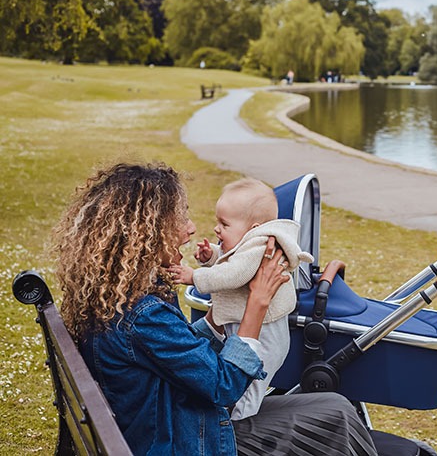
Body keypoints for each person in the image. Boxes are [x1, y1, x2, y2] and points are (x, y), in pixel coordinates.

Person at [53, 163, 377, 456]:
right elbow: (225, 386)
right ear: (147, 233)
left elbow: (175, 353)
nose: (191, 228)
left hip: (179, 421)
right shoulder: (142, 315)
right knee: (336, 416)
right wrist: (257, 304)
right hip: (188, 441)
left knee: (335, 406)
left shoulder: (121, 299)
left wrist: (216, 319)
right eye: (180, 219)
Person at [168, 178, 313, 420]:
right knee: (245, 380)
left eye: (224, 224)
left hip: (265, 336)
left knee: (252, 385)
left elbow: (235, 272)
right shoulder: (251, 244)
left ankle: (240, 420)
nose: (217, 229)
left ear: (253, 228)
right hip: (253, 330)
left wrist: (194, 276)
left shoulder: (260, 246)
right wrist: (212, 256)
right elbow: (234, 260)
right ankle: (234, 414)